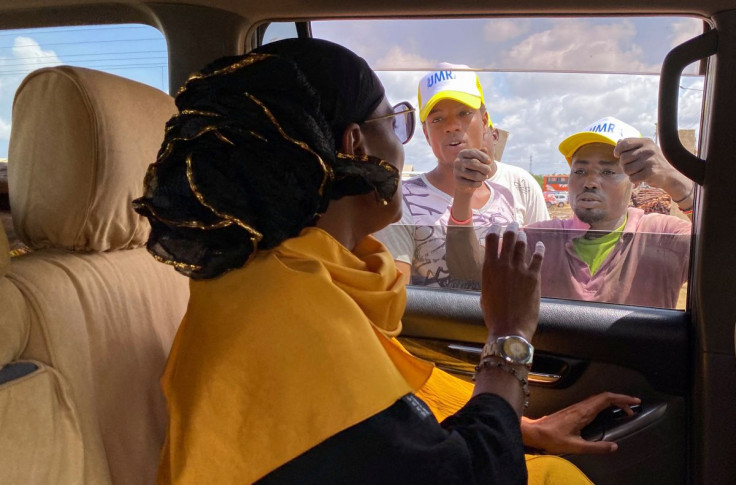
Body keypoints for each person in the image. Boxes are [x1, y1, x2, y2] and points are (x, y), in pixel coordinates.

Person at [134, 39, 633, 484]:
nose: (404, 143)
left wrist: (523, 426)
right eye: (397, 123)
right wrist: (509, 337)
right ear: (356, 145)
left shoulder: (297, 275)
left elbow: (393, 425)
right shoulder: (289, 313)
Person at [447, 116, 693, 309]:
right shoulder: (539, 241)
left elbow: (725, 254)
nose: (590, 182)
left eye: (607, 172)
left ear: (635, 181)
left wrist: (677, 183)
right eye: (580, 171)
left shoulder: (664, 236)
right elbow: (469, 273)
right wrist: (463, 193)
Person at [375, 64, 548, 288]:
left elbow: (541, 274)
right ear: (426, 134)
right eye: (437, 119)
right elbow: (396, 299)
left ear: (485, 121)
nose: (452, 126)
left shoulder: (511, 192)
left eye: (464, 113)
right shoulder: (401, 201)